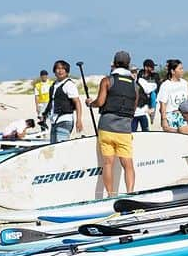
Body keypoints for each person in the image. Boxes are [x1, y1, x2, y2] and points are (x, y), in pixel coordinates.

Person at [89, 51, 138, 197]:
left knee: (108, 163)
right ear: (128, 65)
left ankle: (111, 195)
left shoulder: (107, 81)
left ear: (114, 64)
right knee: (127, 164)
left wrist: (91, 103)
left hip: (106, 127)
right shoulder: (134, 86)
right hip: (124, 128)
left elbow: (100, 102)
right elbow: (133, 108)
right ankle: (130, 193)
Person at [42, 60, 84, 143]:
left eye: (63, 69)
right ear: (54, 71)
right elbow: (52, 102)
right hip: (54, 120)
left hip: (65, 120)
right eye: (58, 68)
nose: (60, 71)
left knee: (60, 146)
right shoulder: (54, 85)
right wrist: (44, 115)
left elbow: (77, 102)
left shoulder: (69, 85)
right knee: (53, 146)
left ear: (67, 71)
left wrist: (79, 120)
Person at [158, 59, 188, 135]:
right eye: (180, 69)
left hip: (183, 115)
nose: (182, 71)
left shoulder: (184, 83)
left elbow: (187, 100)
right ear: (173, 71)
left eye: (182, 68)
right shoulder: (166, 85)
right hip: (171, 116)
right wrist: (164, 120)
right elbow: (163, 104)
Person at [132, 59, 159, 132]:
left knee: (153, 94)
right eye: (151, 67)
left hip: (150, 95)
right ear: (145, 67)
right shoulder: (140, 74)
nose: (153, 68)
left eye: (135, 72)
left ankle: (152, 113)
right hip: (137, 106)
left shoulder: (155, 75)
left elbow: (156, 86)